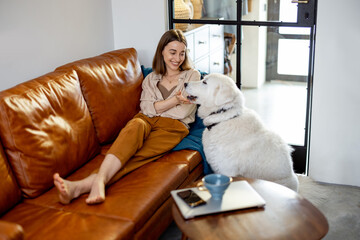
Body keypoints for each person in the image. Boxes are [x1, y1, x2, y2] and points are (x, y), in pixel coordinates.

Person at [53, 29, 201, 205]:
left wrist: (159, 106)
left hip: (174, 127)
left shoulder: (192, 76)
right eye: (172, 52)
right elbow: (145, 108)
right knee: (134, 126)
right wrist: (175, 100)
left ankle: (82, 185)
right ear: (162, 51)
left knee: (135, 155)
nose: (177, 58)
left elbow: (183, 113)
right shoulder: (151, 78)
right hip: (145, 120)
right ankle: (97, 182)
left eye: (182, 53)